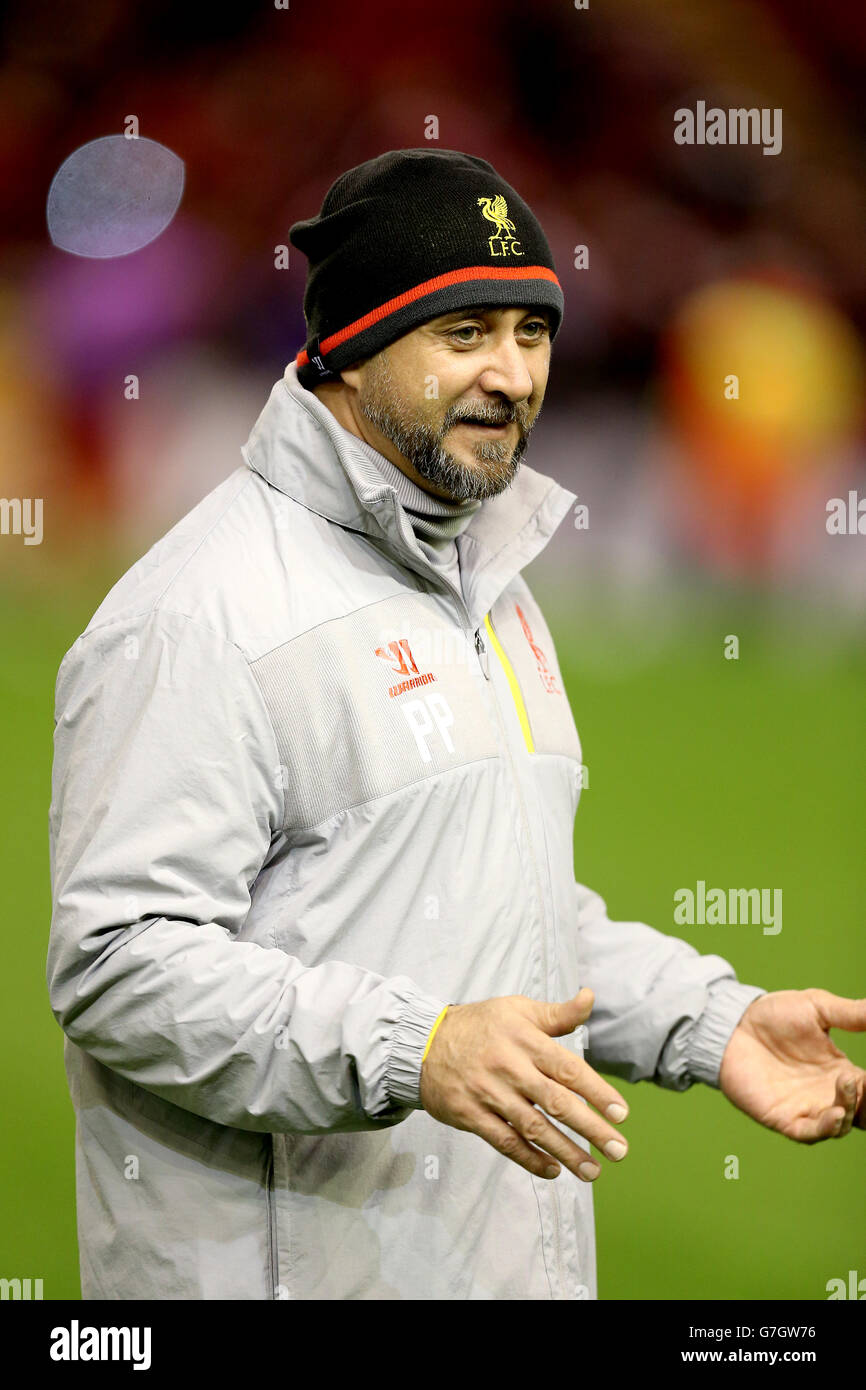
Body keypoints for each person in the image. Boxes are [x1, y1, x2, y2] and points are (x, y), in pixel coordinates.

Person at [46, 148, 865, 1301]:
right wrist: (415, 1048)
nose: (511, 375)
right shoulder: (199, 615)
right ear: (349, 347)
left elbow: (497, 910)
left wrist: (709, 1023)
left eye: (531, 332)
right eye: (464, 332)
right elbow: (117, 963)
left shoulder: (489, 581)